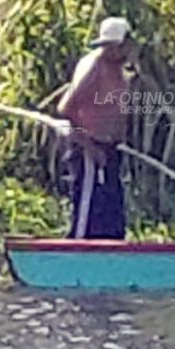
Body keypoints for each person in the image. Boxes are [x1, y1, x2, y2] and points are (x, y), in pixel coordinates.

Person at [56, 17, 135, 239]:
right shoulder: (94, 67)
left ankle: (111, 253)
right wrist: (90, 147)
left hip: (110, 150)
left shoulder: (121, 68)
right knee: (87, 212)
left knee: (112, 212)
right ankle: (76, 252)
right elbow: (66, 107)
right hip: (89, 150)